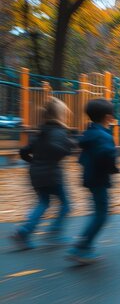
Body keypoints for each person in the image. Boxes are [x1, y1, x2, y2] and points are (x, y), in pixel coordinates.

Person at [11, 98, 75, 249]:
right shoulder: (59, 132)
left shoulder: (40, 132)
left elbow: (23, 151)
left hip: (36, 173)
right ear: (61, 115)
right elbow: (59, 149)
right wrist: (68, 147)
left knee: (43, 203)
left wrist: (33, 162)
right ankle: (54, 233)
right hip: (52, 174)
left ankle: (24, 232)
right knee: (66, 206)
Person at [67, 99, 119, 264]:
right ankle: (81, 247)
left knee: (98, 212)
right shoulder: (103, 135)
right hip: (99, 178)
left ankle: (85, 247)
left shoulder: (88, 133)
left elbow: (83, 157)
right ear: (108, 117)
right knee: (101, 215)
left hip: (90, 177)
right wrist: (112, 167)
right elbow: (106, 154)